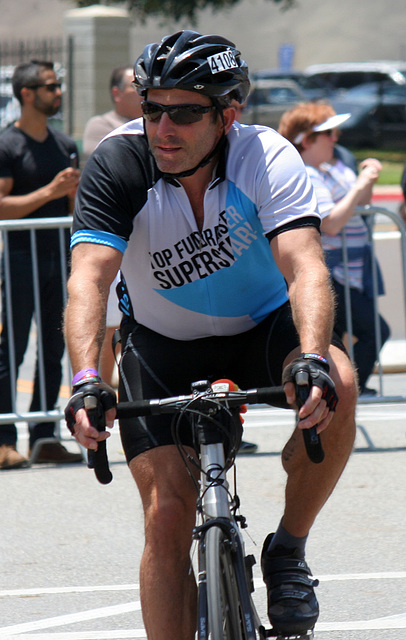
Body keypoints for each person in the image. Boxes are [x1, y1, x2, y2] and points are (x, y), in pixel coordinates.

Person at [64, 31, 357, 640]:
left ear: (228, 115)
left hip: (262, 328)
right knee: (167, 513)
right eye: (152, 108)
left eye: (186, 112)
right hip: (162, 344)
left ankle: (288, 551)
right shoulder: (119, 162)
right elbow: (89, 281)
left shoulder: (265, 156)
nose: (163, 128)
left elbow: (305, 265)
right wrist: (88, 379)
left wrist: (311, 360)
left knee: (342, 383)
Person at [0, 59, 82, 469]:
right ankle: (3, 439)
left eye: (58, 86)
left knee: (54, 348)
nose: (58, 93)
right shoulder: (7, 145)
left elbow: (73, 207)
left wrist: (71, 197)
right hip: (18, 258)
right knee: (11, 350)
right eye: (50, 87)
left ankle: (46, 436)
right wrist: (48, 190)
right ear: (27, 94)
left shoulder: (65, 143)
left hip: (59, 257)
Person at [278, 102, 390, 396]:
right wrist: (360, 184)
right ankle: (348, 388)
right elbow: (331, 223)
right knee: (375, 330)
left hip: (351, 270)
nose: (335, 138)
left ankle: (333, 391)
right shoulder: (307, 174)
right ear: (307, 140)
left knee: (335, 339)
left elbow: (360, 202)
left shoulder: (331, 167)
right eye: (327, 133)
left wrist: (367, 177)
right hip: (331, 270)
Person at [82, 65, 143, 388]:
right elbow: (106, 165)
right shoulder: (100, 126)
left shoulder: (156, 126)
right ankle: (101, 391)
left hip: (145, 239)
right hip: (114, 237)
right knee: (108, 321)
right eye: (135, 86)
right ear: (116, 93)